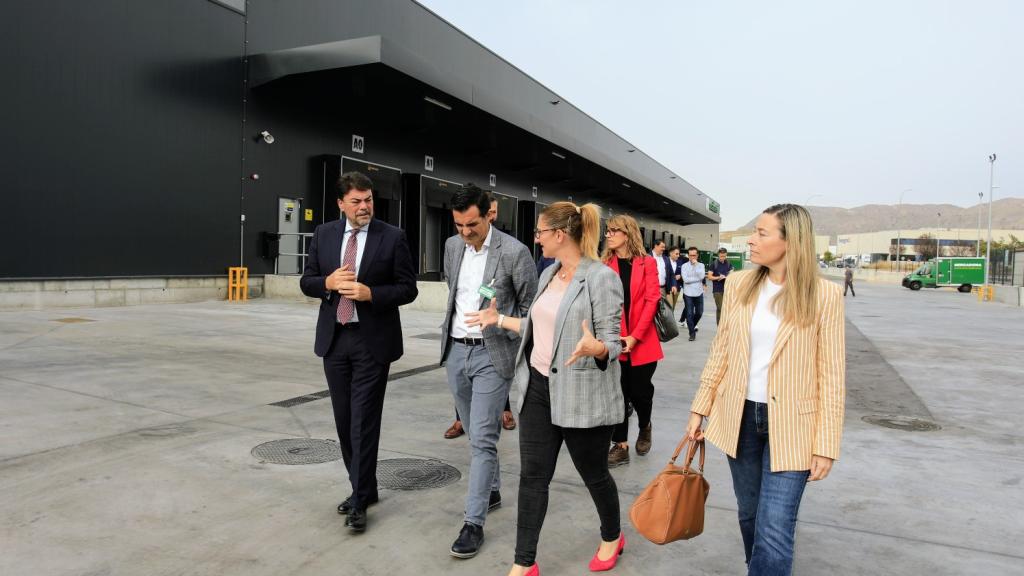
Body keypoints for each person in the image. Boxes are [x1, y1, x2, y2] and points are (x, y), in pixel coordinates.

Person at [467, 201, 626, 576]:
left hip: (581, 393)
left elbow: (614, 342)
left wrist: (597, 347)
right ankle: (524, 564)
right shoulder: (548, 274)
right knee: (532, 477)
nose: (536, 239)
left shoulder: (601, 278)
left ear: (559, 234)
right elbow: (539, 330)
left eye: (540, 232)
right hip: (537, 388)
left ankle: (612, 535)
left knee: (595, 474)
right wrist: (499, 319)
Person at [686, 203, 845, 575]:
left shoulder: (824, 296)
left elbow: (832, 375)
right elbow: (721, 351)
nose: (751, 240)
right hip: (739, 416)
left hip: (793, 424)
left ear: (791, 242)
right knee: (750, 514)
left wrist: (826, 444)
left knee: (774, 527)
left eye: (762, 233)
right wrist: (700, 407)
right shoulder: (740, 283)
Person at [299, 171, 418, 534]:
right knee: (344, 419)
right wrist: (327, 284)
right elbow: (306, 281)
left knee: (363, 421)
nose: (365, 206)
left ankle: (359, 499)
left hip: (372, 341)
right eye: (356, 201)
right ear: (341, 204)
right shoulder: (324, 234)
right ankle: (364, 487)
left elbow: (408, 288)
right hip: (335, 339)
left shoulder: (392, 236)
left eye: (368, 200)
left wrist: (373, 295)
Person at [439, 184, 538, 558]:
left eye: (473, 225)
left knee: (481, 438)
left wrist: (499, 320)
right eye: (459, 225)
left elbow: (532, 312)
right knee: (474, 431)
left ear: (489, 215)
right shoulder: (452, 247)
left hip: (492, 356)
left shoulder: (514, 252)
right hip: (455, 352)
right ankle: (492, 488)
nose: (466, 232)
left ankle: (473, 522)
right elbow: (454, 292)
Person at [602, 214, 663, 468]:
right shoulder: (605, 263)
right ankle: (621, 444)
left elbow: (652, 300)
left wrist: (635, 336)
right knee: (618, 394)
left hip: (643, 340)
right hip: (615, 340)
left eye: (613, 231)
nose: (608, 235)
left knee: (640, 393)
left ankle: (645, 424)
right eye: (607, 231)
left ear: (627, 233)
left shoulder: (646, 263)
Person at [679, 246, 706, 341]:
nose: (692, 257)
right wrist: (697, 279)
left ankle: (692, 325)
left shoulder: (701, 265)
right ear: (688, 255)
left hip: (698, 292)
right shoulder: (684, 266)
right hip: (688, 293)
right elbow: (685, 280)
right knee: (689, 314)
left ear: (697, 255)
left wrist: (695, 266)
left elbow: (702, 276)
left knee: (699, 312)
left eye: (694, 255)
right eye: (690, 255)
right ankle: (692, 333)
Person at [709, 248, 734, 324]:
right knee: (720, 308)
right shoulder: (714, 264)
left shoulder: (728, 263)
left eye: (724, 256)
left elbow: (731, 272)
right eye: (721, 256)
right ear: (718, 255)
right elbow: (710, 277)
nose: (722, 258)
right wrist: (718, 277)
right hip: (717, 290)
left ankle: (725, 325)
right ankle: (719, 326)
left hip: (727, 289)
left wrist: (729, 275)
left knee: (726, 308)